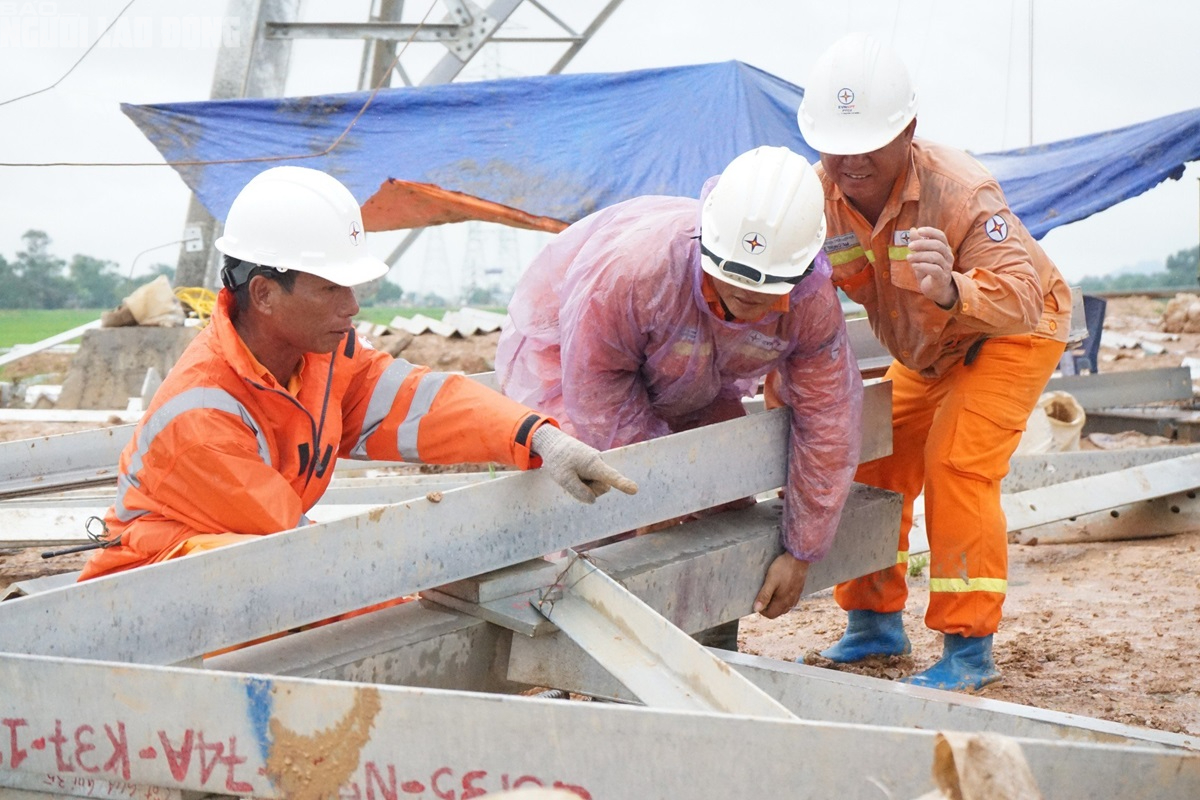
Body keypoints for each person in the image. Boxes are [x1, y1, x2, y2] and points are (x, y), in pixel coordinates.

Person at [79, 166, 637, 582]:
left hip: (256, 566)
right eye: (330, 287)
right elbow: (306, 561)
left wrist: (538, 436)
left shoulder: (324, 357)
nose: (351, 306)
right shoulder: (201, 416)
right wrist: (435, 583)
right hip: (154, 589)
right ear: (266, 294)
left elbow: (424, 403)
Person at [795, 33, 1072, 690]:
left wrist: (953, 288)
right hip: (924, 354)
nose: (852, 160)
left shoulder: (960, 191)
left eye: (870, 142)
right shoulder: (816, 198)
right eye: (837, 143)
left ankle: (968, 647)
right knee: (873, 461)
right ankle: (872, 623)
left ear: (908, 132)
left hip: (1006, 336)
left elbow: (1025, 301)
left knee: (956, 462)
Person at [495, 145, 864, 632]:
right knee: (595, 501)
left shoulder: (811, 304)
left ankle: (711, 640)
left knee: (722, 485)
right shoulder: (633, 272)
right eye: (731, 292)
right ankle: (583, 655)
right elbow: (597, 392)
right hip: (571, 360)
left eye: (763, 297)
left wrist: (802, 550)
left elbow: (828, 421)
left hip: (694, 368)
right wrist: (655, 499)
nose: (745, 307)